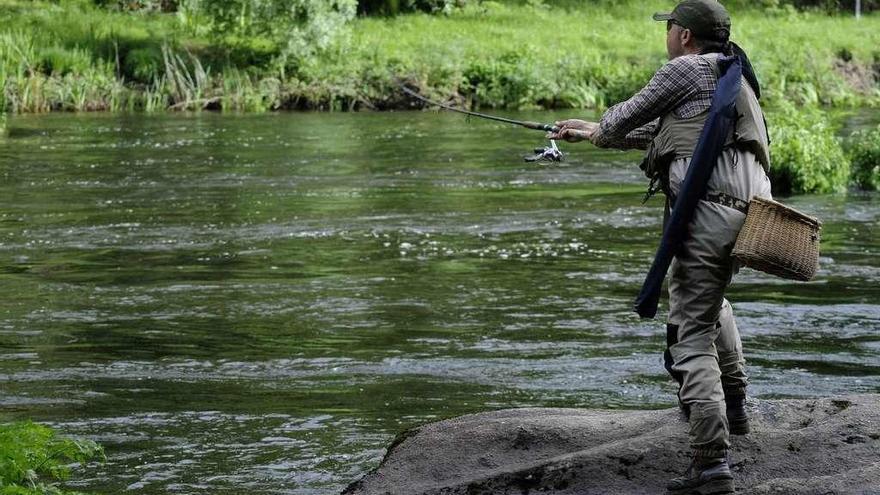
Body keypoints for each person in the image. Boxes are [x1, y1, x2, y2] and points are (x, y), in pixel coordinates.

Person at [548, 1, 772, 493]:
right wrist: (591, 132)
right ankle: (735, 409)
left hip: (707, 212)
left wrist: (600, 129)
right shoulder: (730, 70)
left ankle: (711, 463)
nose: (666, 35)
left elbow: (624, 119)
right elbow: (666, 134)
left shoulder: (684, 69)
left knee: (688, 330)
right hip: (748, 216)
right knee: (711, 303)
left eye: (669, 27)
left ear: (684, 34)